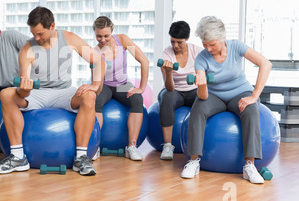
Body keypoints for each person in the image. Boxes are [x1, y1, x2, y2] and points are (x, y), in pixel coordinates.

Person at [0, 6, 105, 176]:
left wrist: (95, 85)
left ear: (52, 26)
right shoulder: (27, 49)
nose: (36, 38)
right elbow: (23, 93)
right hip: (38, 93)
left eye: (40, 34)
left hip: (64, 92)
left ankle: (81, 158)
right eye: (33, 33)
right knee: (6, 94)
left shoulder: (69, 38)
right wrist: (24, 90)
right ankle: (17, 157)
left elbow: (98, 60)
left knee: (89, 96)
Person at [181, 16, 272, 184]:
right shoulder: (201, 58)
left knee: (251, 111)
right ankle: (193, 161)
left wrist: (254, 96)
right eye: (205, 44)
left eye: (212, 44)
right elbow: (203, 96)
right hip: (213, 95)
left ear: (222, 38)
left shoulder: (236, 46)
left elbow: (265, 64)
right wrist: (201, 85)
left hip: (240, 91)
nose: (208, 48)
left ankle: (249, 166)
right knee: (198, 109)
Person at [92, 16, 150, 161]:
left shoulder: (122, 40)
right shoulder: (94, 51)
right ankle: (94, 147)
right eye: (99, 36)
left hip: (122, 84)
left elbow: (144, 61)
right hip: (104, 85)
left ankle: (131, 147)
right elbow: (96, 81)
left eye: (106, 35)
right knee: (96, 100)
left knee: (137, 99)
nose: (103, 39)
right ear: (94, 34)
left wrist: (141, 88)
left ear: (112, 31)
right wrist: (96, 91)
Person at [158, 21, 203, 160]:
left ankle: (197, 145)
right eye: (173, 41)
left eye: (179, 42)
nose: (175, 46)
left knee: (204, 101)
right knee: (167, 97)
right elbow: (170, 87)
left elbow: (203, 78)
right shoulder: (167, 53)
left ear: (187, 39)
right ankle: (167, 146)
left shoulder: (198, 52)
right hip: (174, 90)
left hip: (193, 90)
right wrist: (169, 71)